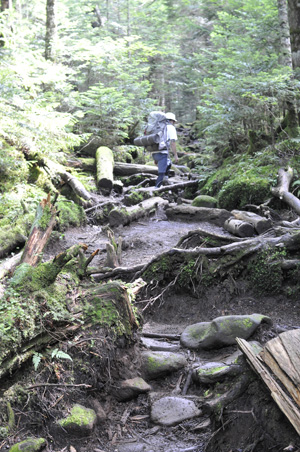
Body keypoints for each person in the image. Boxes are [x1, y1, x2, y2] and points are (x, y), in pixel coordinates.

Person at [152, 112, 178, 188]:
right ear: (172, 120)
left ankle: (165, 182)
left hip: (154, 151)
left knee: (168, 163)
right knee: (161, 172)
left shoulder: (158, 126)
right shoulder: (171, 128)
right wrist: (176, 155)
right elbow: (173, 143)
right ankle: (156, 188)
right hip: (162, 152)